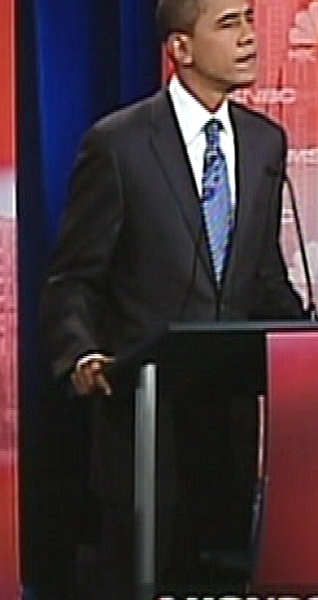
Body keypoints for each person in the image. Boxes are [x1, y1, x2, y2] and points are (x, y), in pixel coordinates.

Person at [39, 0, 305, 597]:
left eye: (249, 20)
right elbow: (73, 279)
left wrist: (305, 343)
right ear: (180, 49)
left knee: (223, 576)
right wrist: (80, 355)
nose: (248, 38)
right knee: (147, 575)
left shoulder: (265, 144)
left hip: (231, 421)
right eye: (228, 23)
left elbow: (261, 276)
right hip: (142, 417)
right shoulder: (120, 144)